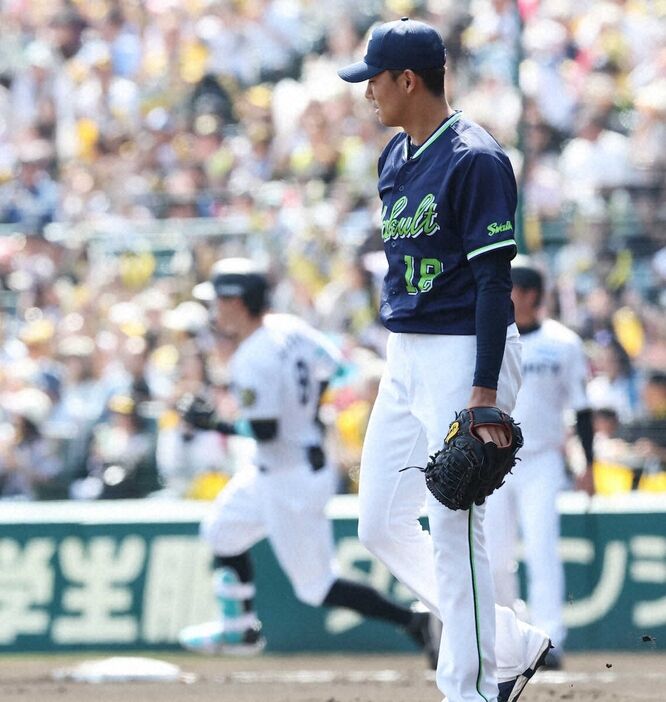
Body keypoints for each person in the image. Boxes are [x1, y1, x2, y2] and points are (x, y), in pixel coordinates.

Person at [337, 18, 550, 702]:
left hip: (464, 350)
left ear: (408, 79)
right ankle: (505, 640)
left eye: (374, 78)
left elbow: (494, 283)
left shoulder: (475, 158)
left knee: (456, 523)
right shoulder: (394, 156)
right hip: (407, 350)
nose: (366, 91)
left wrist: (483, 392)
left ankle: (474, 687)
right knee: (380, 523)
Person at [177, 257, 439, 666]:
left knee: (316, 587)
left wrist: (215, 424)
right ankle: (239, 627)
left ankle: (414, 622)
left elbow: (265, 429)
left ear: (238, 302)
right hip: (282, 466)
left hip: (290, 477)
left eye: (220, 301)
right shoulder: (288, 327)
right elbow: (332, 366)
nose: (215, 309)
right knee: (221, 531)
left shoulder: (250, 357)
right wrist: (308, 415)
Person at [483, 258, 595, 671]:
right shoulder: (490, 335)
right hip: (495, 461)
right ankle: (510, 639)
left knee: (542, 549)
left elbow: (582, 409)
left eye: (511, 287)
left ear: (530, 294)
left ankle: (549, 639)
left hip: (542, 460)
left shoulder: (563, 342)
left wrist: (588, 464)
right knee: (494, 557)